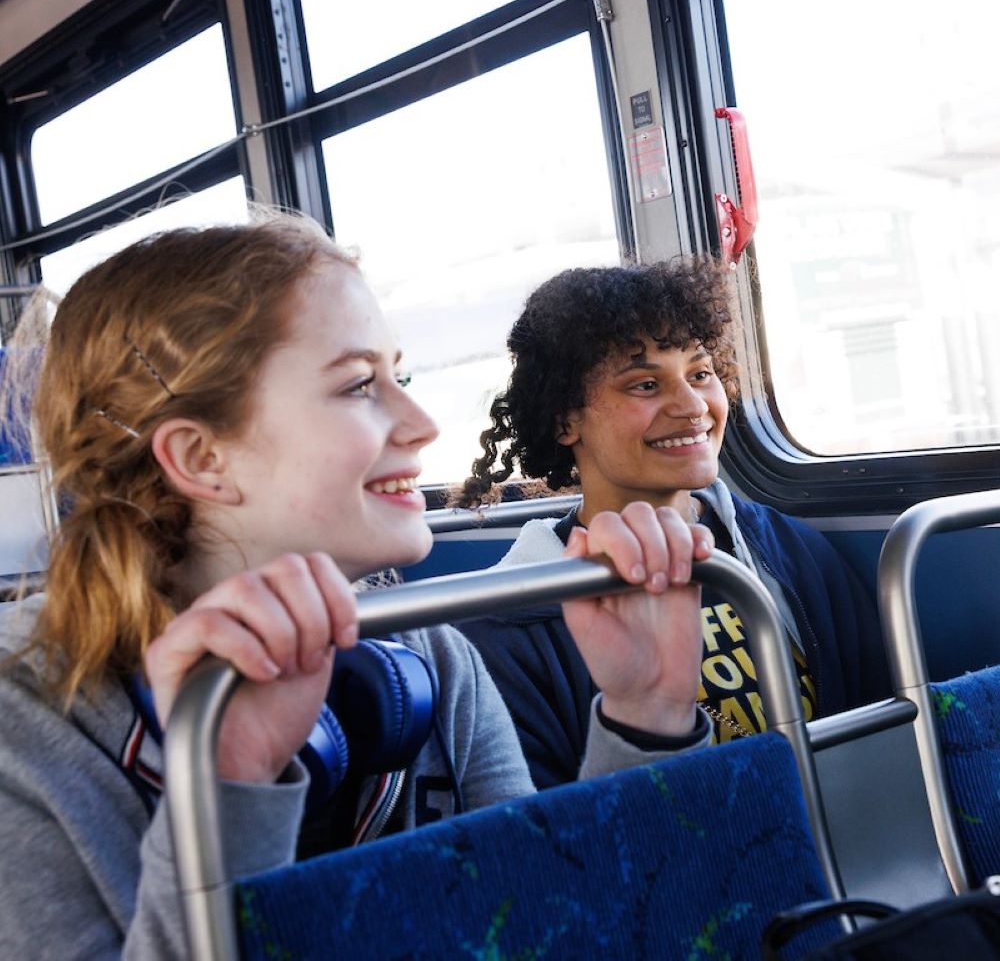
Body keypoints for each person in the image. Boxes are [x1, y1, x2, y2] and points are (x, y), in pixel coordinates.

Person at [0, 215, 713, 959]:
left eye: (397, 377)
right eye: (358, 386)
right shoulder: (26, 720)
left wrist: (644, 717)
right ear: (201, 455)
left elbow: (561, 935)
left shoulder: (429, 652)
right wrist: (224, 805)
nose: (422, 422)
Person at [451, 259, 889, 789]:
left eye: (700, 374)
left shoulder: (790, 553)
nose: (691, 406)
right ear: (565, 420)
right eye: (644, 385)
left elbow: (880, 749)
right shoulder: (509, 630)